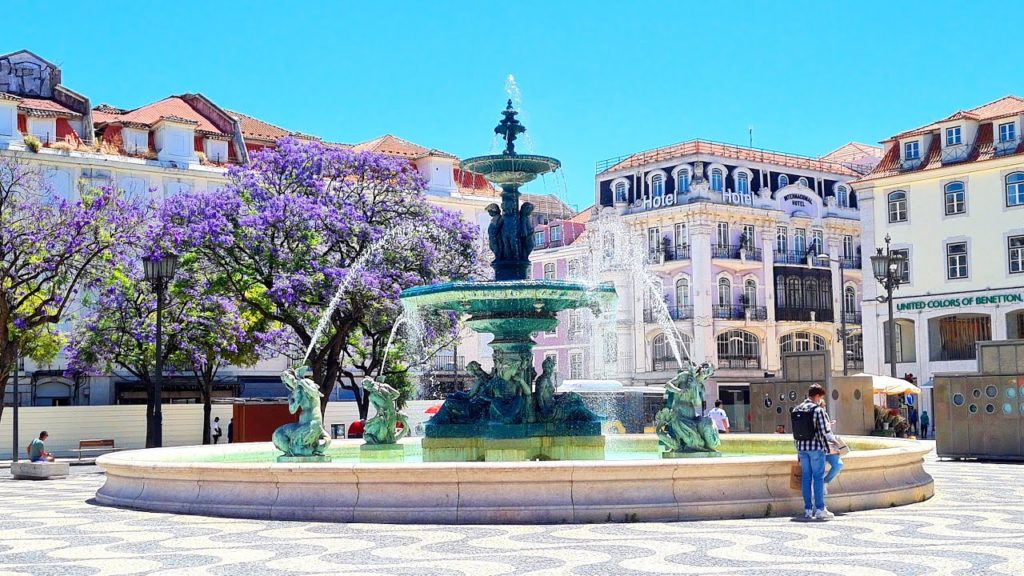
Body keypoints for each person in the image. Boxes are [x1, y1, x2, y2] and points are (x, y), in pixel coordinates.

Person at [793, 384, 837, 521]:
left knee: (806, 478)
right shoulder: (818, 410)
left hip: (802, 448)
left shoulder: (797, 408)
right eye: (820, 397)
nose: (820, 400)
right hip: (816, 448)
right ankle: (819, 509)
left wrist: (798, 451)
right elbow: (825, 431)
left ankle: (807, 509)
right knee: (818, 477)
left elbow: (795, 433)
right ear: (817, 396)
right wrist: (835, 441)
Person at [818, 397, 844, 492]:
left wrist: (836, 444)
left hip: (829, 448)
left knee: (838, 465)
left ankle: (825, 481)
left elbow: (828, 433)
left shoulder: (824, 415)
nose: (823, 408)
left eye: (823, 406)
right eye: (821, 406)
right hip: (818, 448)